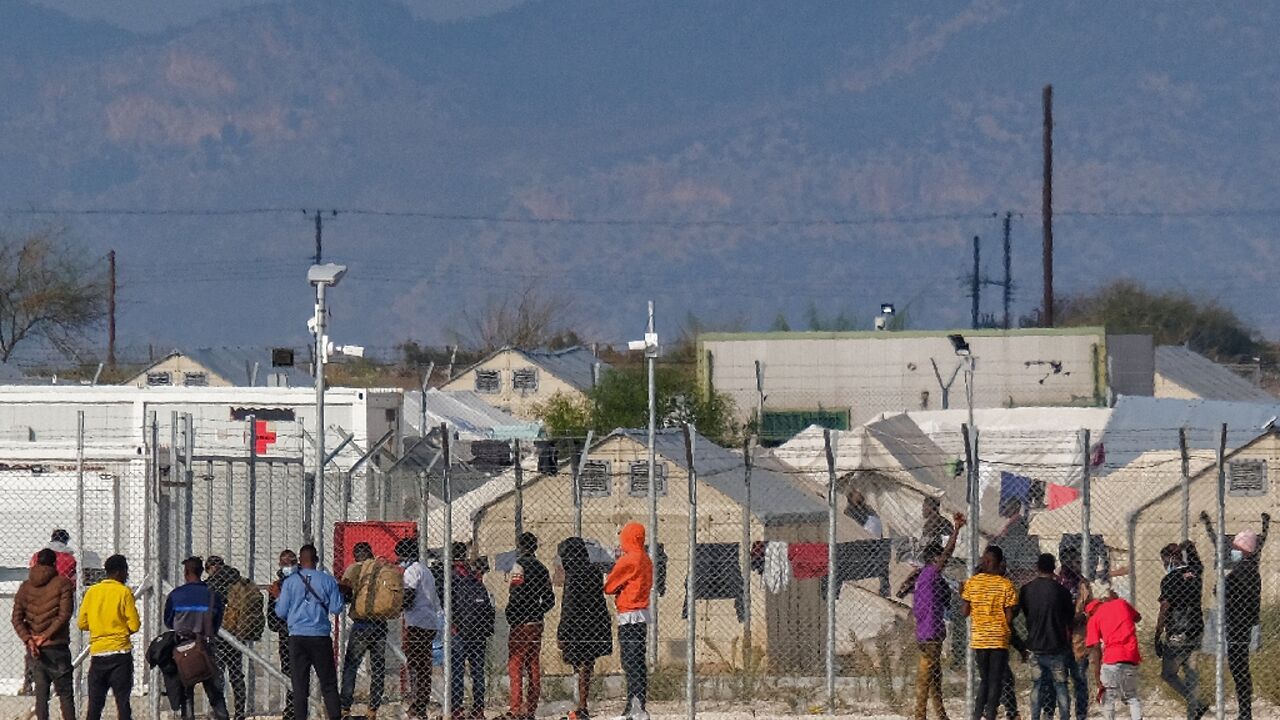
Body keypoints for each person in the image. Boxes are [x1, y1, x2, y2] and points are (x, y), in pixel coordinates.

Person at [1201, 511, 1269, 720]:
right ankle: (1245, 712)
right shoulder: (1247, 567)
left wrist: (1220, 588)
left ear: (1244, 550)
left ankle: (1245, 713)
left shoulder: (1244, 570)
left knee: (1239, 670)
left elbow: (1222, 591)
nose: (1233, 550)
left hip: (1238, 625)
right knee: (1240, 670)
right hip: (1241, 624)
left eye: (1237, 548)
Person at [274, 543, 346, 720]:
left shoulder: (290, 582)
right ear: (317, 560)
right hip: (320, 637)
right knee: (328, 684)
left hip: (297, 637)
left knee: (299, 686)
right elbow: (337, 608)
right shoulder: (327, 580)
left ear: (299, 560)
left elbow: (281, 612)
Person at [908, 513, 966, 720]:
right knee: (926, 677)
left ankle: (941, 714)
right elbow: (947, 554)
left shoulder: (924, 577)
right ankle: (919, 715)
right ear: (934, 560)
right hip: (931, 632)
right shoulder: (931, 573)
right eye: (939, 559)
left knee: (935, 676)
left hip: (926, 632)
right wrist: (957, 530)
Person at [163, 556, 231, 720]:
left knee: (186, 693)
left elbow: (168, 622)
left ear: (186, 573)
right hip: (205, 648)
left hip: (182, 649)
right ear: (202, 572)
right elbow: (216, 624)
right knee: (215, 694)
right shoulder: (213, 596)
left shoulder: (175, 595)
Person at [13, 548, 75, 720]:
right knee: (65, 695)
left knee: (41, 696)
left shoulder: (25, 587)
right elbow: (65, 614)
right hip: (57, 647)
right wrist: (46, 635)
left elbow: (16, 619)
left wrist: (30, 640)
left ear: (36, 562)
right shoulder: (63, 583)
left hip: (36, 650)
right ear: (55, 563)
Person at [79, 554, 140, 720]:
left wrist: (99, 627)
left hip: (98, 654)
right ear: (120, 572)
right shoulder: (124, 592)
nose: (127, 575)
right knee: (122, 703)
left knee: (94, 705)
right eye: (126, 571)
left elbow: (82, 623)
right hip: (120, 654)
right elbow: (134, 625)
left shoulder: (92, 592)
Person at [557, 537, 613, 720]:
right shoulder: (593, 571)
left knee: (579, 664)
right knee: (587, 664)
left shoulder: (573, 574)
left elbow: (569, 605)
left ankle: (580, 706)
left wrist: (562, 632)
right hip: (595, 623)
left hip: (577, 626)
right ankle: (582, 703)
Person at [960, 545, 1018, 720]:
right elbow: (1009, 616)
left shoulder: (972, 582)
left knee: (984, 679)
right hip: (998, 638)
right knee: (995, 680)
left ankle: (977, 715)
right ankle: (991, 714)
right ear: (1000, 563)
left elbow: (964, 612)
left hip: (980, 638)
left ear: (984, 562)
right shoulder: (1006, 584)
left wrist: (961, 595)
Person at [605, 522, 655, 720]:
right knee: (638, 661)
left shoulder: (629, 559)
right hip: (641, 613)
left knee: (629, 661)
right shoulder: (646, 559)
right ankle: (638, 702)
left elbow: (609, 586)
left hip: (628, 614)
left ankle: (634, 705)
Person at [504, 532, 556, 720]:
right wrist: (538, 610)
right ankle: (530, 708)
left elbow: (516, 594)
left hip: (521, 621)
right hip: (536, 621)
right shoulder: (542, 568)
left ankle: (516, 707)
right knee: (533, 664)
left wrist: (511, 614)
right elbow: (550, 599)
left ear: (520, 546)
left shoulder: (519, 566)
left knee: (515, 664)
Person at [1153, 541, 1205, 720]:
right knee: (1190, 672)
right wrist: (1183, 547)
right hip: (1197, 630)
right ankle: (1194, 711)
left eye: (1163, 560)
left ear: (1168, 559)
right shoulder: (1195, 571)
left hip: (1179, 633)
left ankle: (1197, 704)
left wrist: (1157, 634)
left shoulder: (1169, 579)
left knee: (1168, 674)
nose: (1163, 564)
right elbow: (1191, 546)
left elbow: (1164, 608)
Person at [339, 543, 391, 720]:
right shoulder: (382, 567)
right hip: (380, 623)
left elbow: (345, 594)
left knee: (352, 666)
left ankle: (345, 708)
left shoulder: (353, 569)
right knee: (378, 667)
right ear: (371, 553)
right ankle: (372, 710)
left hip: (361, 624)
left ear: (355, 555)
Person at [1020, 553, 1074, 720]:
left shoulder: (1026, 590)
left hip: (1035, 645)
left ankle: (1036, 716)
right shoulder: (1062, 592)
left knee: (1037, 685)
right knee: (1061, 686)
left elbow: (1025, 612)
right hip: (1057, 646)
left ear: (1037, 567)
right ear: (1053, 568)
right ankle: (1064, 716)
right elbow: (1069, 619)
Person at [449, 542, 495, 720]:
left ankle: (456, 710)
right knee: (477, 671)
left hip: (459, 631)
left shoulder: (451, 575)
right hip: (478, 631)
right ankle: (478, 710)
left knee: (457, 671)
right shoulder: (474, 574)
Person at [1085, 580, 1142, 720]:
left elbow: (1096, 649)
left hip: (1111, 659)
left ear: (1090, 612)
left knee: (1108, 697)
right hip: (1131, 657)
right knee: (1131, 696)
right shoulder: (1121, 603)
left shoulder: (1094, 619)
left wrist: (1097, 676)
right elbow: (1138, 617)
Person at [397, 538, 439, 720]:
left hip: (416, 624)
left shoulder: (411, 572)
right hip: (429, 622)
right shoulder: (425, 570)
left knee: (414, 663)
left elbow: (409, 596)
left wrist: (395, 607)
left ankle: (416, 705)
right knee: (423, 665)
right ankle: (420, 704)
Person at [205, 556, 249, 720]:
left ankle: (220, 713)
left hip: (218, 636)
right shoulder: (236, 581)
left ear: (209, 568)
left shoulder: (209, 585)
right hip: (236, 634)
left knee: (217, 676)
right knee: (237, 675)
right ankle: (240, 713)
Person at [1052, 548, 1092, 720]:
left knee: (1080, 680)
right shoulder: (1055, 582)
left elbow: (1091, 607)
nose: (1076, 565)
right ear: (1063, 561)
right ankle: (1064, 714)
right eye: (1073, 561)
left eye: (1077, 561)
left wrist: (1082, 616)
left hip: (1078, 640)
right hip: (1058, 639)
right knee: (1059, 682)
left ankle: (1081, 715)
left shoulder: (1083, 583)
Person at [267, 549, 298, 720]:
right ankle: (292, 707)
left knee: (300, 671)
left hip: (300, 633)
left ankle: (298, 707)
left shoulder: (304, 581)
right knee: (289, 673)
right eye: (284, 563)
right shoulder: (277, 586)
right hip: (287, 635)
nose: (288, 566)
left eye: (290, 562)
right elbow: (271, 618)